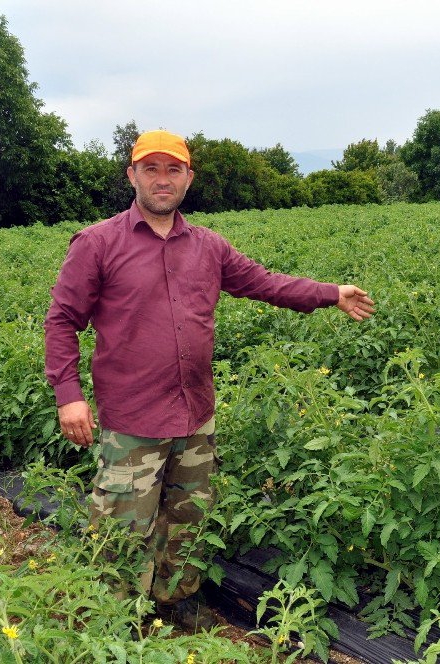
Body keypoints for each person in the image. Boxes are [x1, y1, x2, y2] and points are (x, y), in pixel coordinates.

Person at [43, 129, 374, 630]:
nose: (162, 179)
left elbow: (265, 283)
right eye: (151, 169)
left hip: (195, 415)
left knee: (188, 521)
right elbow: (62, 320)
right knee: (121, 529)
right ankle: (113, 625)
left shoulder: (208, 247)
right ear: (132, 176)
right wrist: (69, 395)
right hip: (133, 419)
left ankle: (174, 605)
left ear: (188, 178)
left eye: (173, 170)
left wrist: (330, 293)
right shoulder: (98, 243)